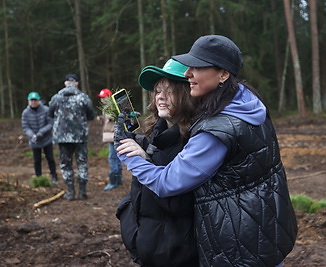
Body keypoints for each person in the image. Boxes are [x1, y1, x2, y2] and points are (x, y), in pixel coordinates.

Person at [116, 35, 298, 267]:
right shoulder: (247, 103)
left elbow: (167, 183)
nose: (188, 73)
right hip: (267, 230)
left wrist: (130, 156)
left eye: (197, 67)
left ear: (223, 74)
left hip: (238, 246)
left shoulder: (214, 131)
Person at [115, 59, 199, 266]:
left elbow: (180, 204)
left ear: (186, 94)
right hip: (150, 250)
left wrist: (147, 160)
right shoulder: (156, 133)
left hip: (176, 256)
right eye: (158, 91)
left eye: (169, 91)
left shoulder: (195, 142)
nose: (160, 97)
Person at [48, 74, 96, 200]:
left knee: (65, 164)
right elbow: (91, 115)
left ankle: (70, 192)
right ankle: (82, 192)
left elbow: (50, 113)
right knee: (82, 162)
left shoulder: (56, 97)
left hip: (62, 137)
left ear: (65, 84)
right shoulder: (83, 98)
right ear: (77, 84)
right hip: (80, 136)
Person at [21, 91, 58, 183]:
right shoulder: (25, 113)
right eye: (31, 100)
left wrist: (40, 133)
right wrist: (32, 135)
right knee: (37, 160)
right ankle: (38, 177)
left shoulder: (46, 110)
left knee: (50, 158)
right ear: (28, 101)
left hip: (46, 139)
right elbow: (25, 127)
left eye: (35, 100)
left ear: (39, 100)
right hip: (34, 141)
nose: (33, 102)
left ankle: (54, 175)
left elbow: (50, 124)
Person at [97, 88, 123, 190]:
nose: (102, 99)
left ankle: (113, 182)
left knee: (112, 158)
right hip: (114, 135)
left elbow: (112, 117)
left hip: (113, 135)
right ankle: (119, 180)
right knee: (117, 157)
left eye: (104, 97)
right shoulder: (109, 106)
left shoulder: (111, 106)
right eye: (101, 98)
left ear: (109, 97)